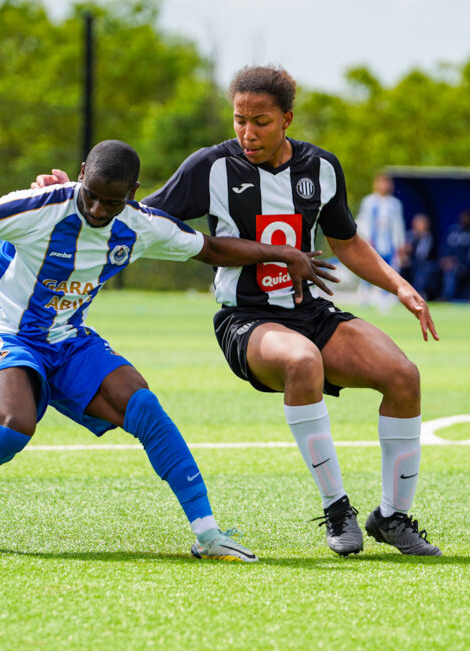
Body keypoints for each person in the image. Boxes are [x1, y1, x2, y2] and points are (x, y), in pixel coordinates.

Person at [0, 139, 336, 563]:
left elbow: (210, 248)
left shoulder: (141, 225)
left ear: (132, 194)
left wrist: (285, 253)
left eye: (112, 202)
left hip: (71, 341)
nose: (98, 210)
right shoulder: (39, 207)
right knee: (15, 424)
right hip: (10, 336)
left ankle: (208, 534)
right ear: (80, 176)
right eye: (92, 196)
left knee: (143, 405)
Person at [35, 66, 442, 557]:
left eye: (261, 121)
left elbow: (347, 242)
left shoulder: (322, 168)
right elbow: (139, 215)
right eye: (239, 119)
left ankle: (393, 517)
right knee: (301, 361)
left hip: (311, 310)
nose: (248, 132)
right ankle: (338, 510)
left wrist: (399, 286)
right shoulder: (211, 167)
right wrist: (69, 194)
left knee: (404, 375)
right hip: (246, 320)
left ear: (287, 119)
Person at [356, 172, 406, 308]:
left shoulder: (395, 204)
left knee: (388, 269)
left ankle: (384, 298)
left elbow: (398, 226)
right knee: (367, 268)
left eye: (386, 182)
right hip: (371, 241)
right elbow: (362, 221)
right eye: (381, 182)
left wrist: (400, 244)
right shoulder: (369, 201)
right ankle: (364, 295)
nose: (384, 185)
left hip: (388, 243)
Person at [439, 210, 470, 302]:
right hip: (448, 262)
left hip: (467, 265)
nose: (464, 220)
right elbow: (444, 247)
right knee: (430, 267)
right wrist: (445, 259)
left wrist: (458, 261)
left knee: (452, 269)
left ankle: (447, 296)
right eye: (463, 217)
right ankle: (423, 293)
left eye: (467, 218)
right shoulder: (453, 230)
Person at [400, 213, 440, 301]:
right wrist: (404, 255)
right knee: (400, 265)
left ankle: (418, 292)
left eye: (420, 223)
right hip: (409, 262)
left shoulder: (427, 236)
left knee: (422, 268)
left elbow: (422, 254)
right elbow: (402, 248)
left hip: (423, 262)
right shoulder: (409, 234)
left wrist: (411, 250)